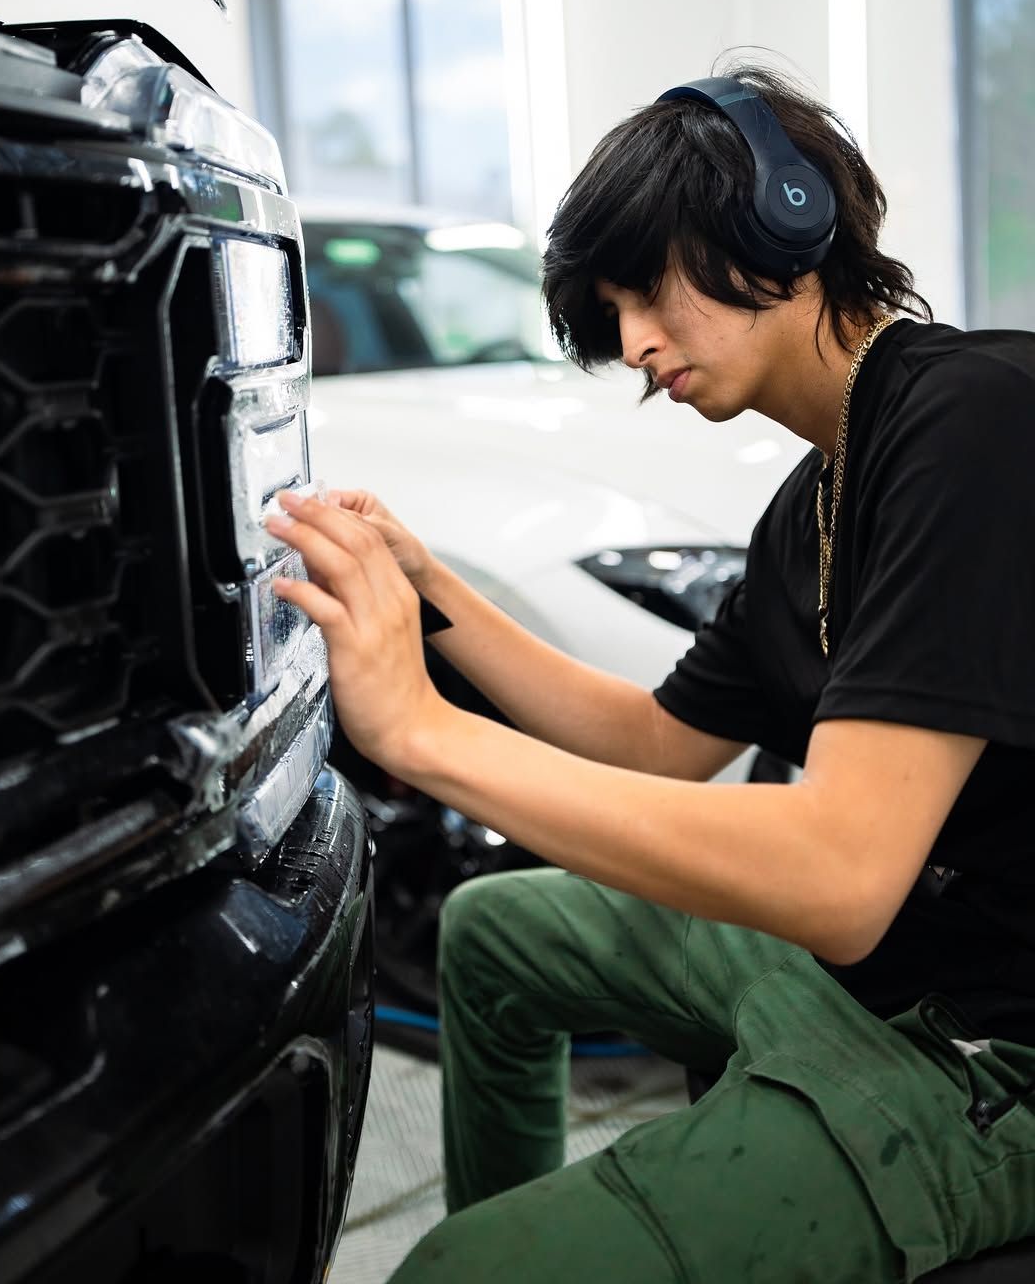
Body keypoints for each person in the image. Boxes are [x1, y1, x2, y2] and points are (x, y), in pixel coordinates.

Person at [265, 63, 1035, 1283]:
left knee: (457, 1272)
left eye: (647, 293)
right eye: (610, 315)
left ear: (785, 219)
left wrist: (421, 734)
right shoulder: (811, 506)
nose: (632, 346)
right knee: (491, 929)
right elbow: (654, 740)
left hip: (992, 1046)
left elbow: (841, 875)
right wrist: (430, 588)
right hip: (891, 966)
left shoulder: (977, 420)